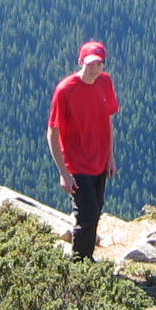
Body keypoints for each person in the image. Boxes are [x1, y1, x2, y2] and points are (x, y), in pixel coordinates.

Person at [47, 39, 119, 259]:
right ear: (80, 62)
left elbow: (107, 119)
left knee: (96, 209)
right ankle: (80, 264)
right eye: (90, 64)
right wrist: (64, 173)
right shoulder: (65, 90)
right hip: (76, 163)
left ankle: (86, 259)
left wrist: (110, 157)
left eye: (99, 64)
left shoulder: (105, 82)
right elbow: (52, 132)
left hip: (99, 159)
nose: (95, 69)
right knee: (87, 214)